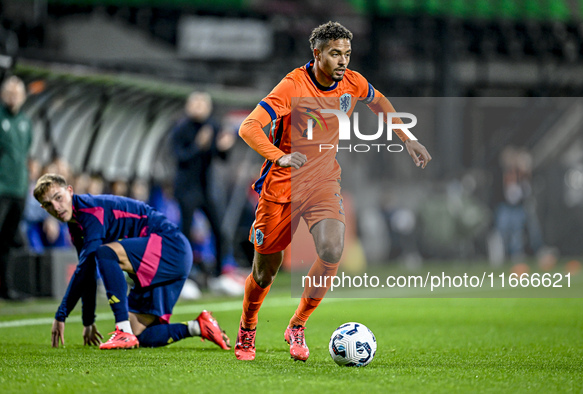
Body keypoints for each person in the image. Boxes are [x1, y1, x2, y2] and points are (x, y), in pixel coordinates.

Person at [234, 21, 432, 361]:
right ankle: (247, 329)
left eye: (347, 54)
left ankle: (297, 325)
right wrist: (278, 156)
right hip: (281, 188)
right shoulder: (292, 86)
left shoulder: (352, 82)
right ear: (317, 54)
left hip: (323, 183)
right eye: (335, 54)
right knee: (265, 271)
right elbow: (248, 127)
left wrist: (408, 139)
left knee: (332, 248)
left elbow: (380, 101)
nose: (343, 61)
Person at [33, 173, 231, 350]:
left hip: (170, 246)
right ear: (43, 208)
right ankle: (198, 327)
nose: (56, 207)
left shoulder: (89, 210)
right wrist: (88, 321)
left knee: (106, 253)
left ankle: (122, 331)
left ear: (70, 191)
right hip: (160, 258)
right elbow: (87, 271)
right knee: (142, 335)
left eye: (58, 198)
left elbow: (89, 264)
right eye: (48, 205)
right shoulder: (76, 226)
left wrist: (61, 315)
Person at [171, 91, 236, 288]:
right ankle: (185, 275)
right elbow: (180, 157)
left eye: (203, 104)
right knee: (186, 231)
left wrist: (225, 147)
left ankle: (218, 276)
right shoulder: (180, 128)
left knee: (219, 229)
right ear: (188, 106)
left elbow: (221, 158)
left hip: (206, 187)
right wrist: (198, 145)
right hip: (186, 188)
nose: (199, 107)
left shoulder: (213, 126)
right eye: (195, 103)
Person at [0, 76, 32, 300]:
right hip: (1, 188)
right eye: (9, 93)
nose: (13, 97)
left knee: (8, 241)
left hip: (18, 189)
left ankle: (5, 287)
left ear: (23, 97)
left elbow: (26, 153)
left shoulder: (25, 122)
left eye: (16, 93)